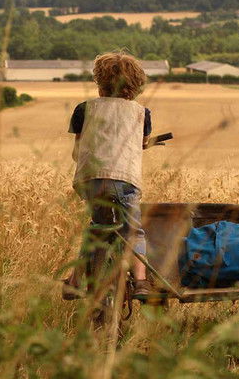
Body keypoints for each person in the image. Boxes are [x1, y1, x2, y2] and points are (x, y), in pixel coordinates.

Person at [63, 51, 155, 300]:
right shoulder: (141, 113)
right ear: (135, 85)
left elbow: (79, 148)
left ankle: (74, 280)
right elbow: (142, 142)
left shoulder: (84, 110)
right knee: (133, 232)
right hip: (124, 180)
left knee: (97, 227)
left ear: (99, 82)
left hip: (90, 179)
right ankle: (141, 281)